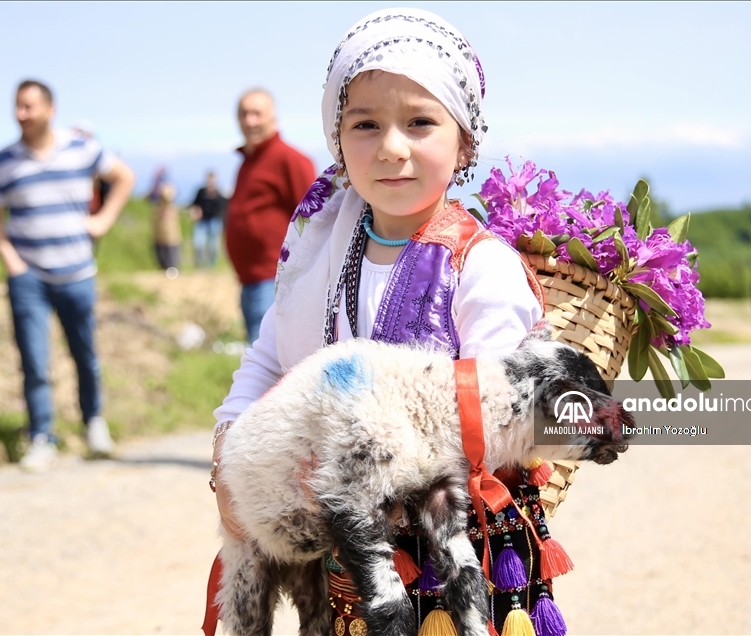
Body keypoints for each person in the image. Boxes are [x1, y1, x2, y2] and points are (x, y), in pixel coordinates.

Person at [206, 9, 566, 635]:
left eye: (420, 122)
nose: (392, 148)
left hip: (445, 566)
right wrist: (230, 463)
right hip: (344, 564)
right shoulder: (324, 248)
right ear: (338, 140)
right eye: (365, 124)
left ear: (465, 141)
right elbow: (270, 359)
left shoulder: (481, 268)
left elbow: (493, 411)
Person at [0, 80, 135, 471]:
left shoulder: (82, 147)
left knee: (85, 354)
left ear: (49, 110)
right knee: (34, 360)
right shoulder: (4, 160)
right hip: (28, 276)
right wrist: (10, 260)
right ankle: (41, 435)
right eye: (17, 106)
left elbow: (124, 178)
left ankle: (94, 424)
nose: (21, 114)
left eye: (29, 106)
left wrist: (103, 219)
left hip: (77, 272)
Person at [225, 88, 315, 344]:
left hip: (275, 279)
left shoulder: (290, 159)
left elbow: (315, 219)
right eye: (243, 114)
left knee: (265, 359)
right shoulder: (248, 161)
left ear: (273, 117)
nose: (249, 121)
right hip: (249, 279)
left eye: (257, 113)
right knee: (258, 356)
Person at [189, 171, 227, 268]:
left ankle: (211, 266)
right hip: (202, 221)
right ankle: (199, 266)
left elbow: (224, 209)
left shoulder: (220, 195)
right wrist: (195, 211)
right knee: (199, 243)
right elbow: (194, 204)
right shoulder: (201, 192)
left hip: (215, 221)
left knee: (213, 246)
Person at [152, 182, 182, 270]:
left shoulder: (171, 206)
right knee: (161, 254)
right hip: (159, 236)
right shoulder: (158, 206)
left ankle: (172, 269)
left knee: (171, 255)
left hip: (171, 237)